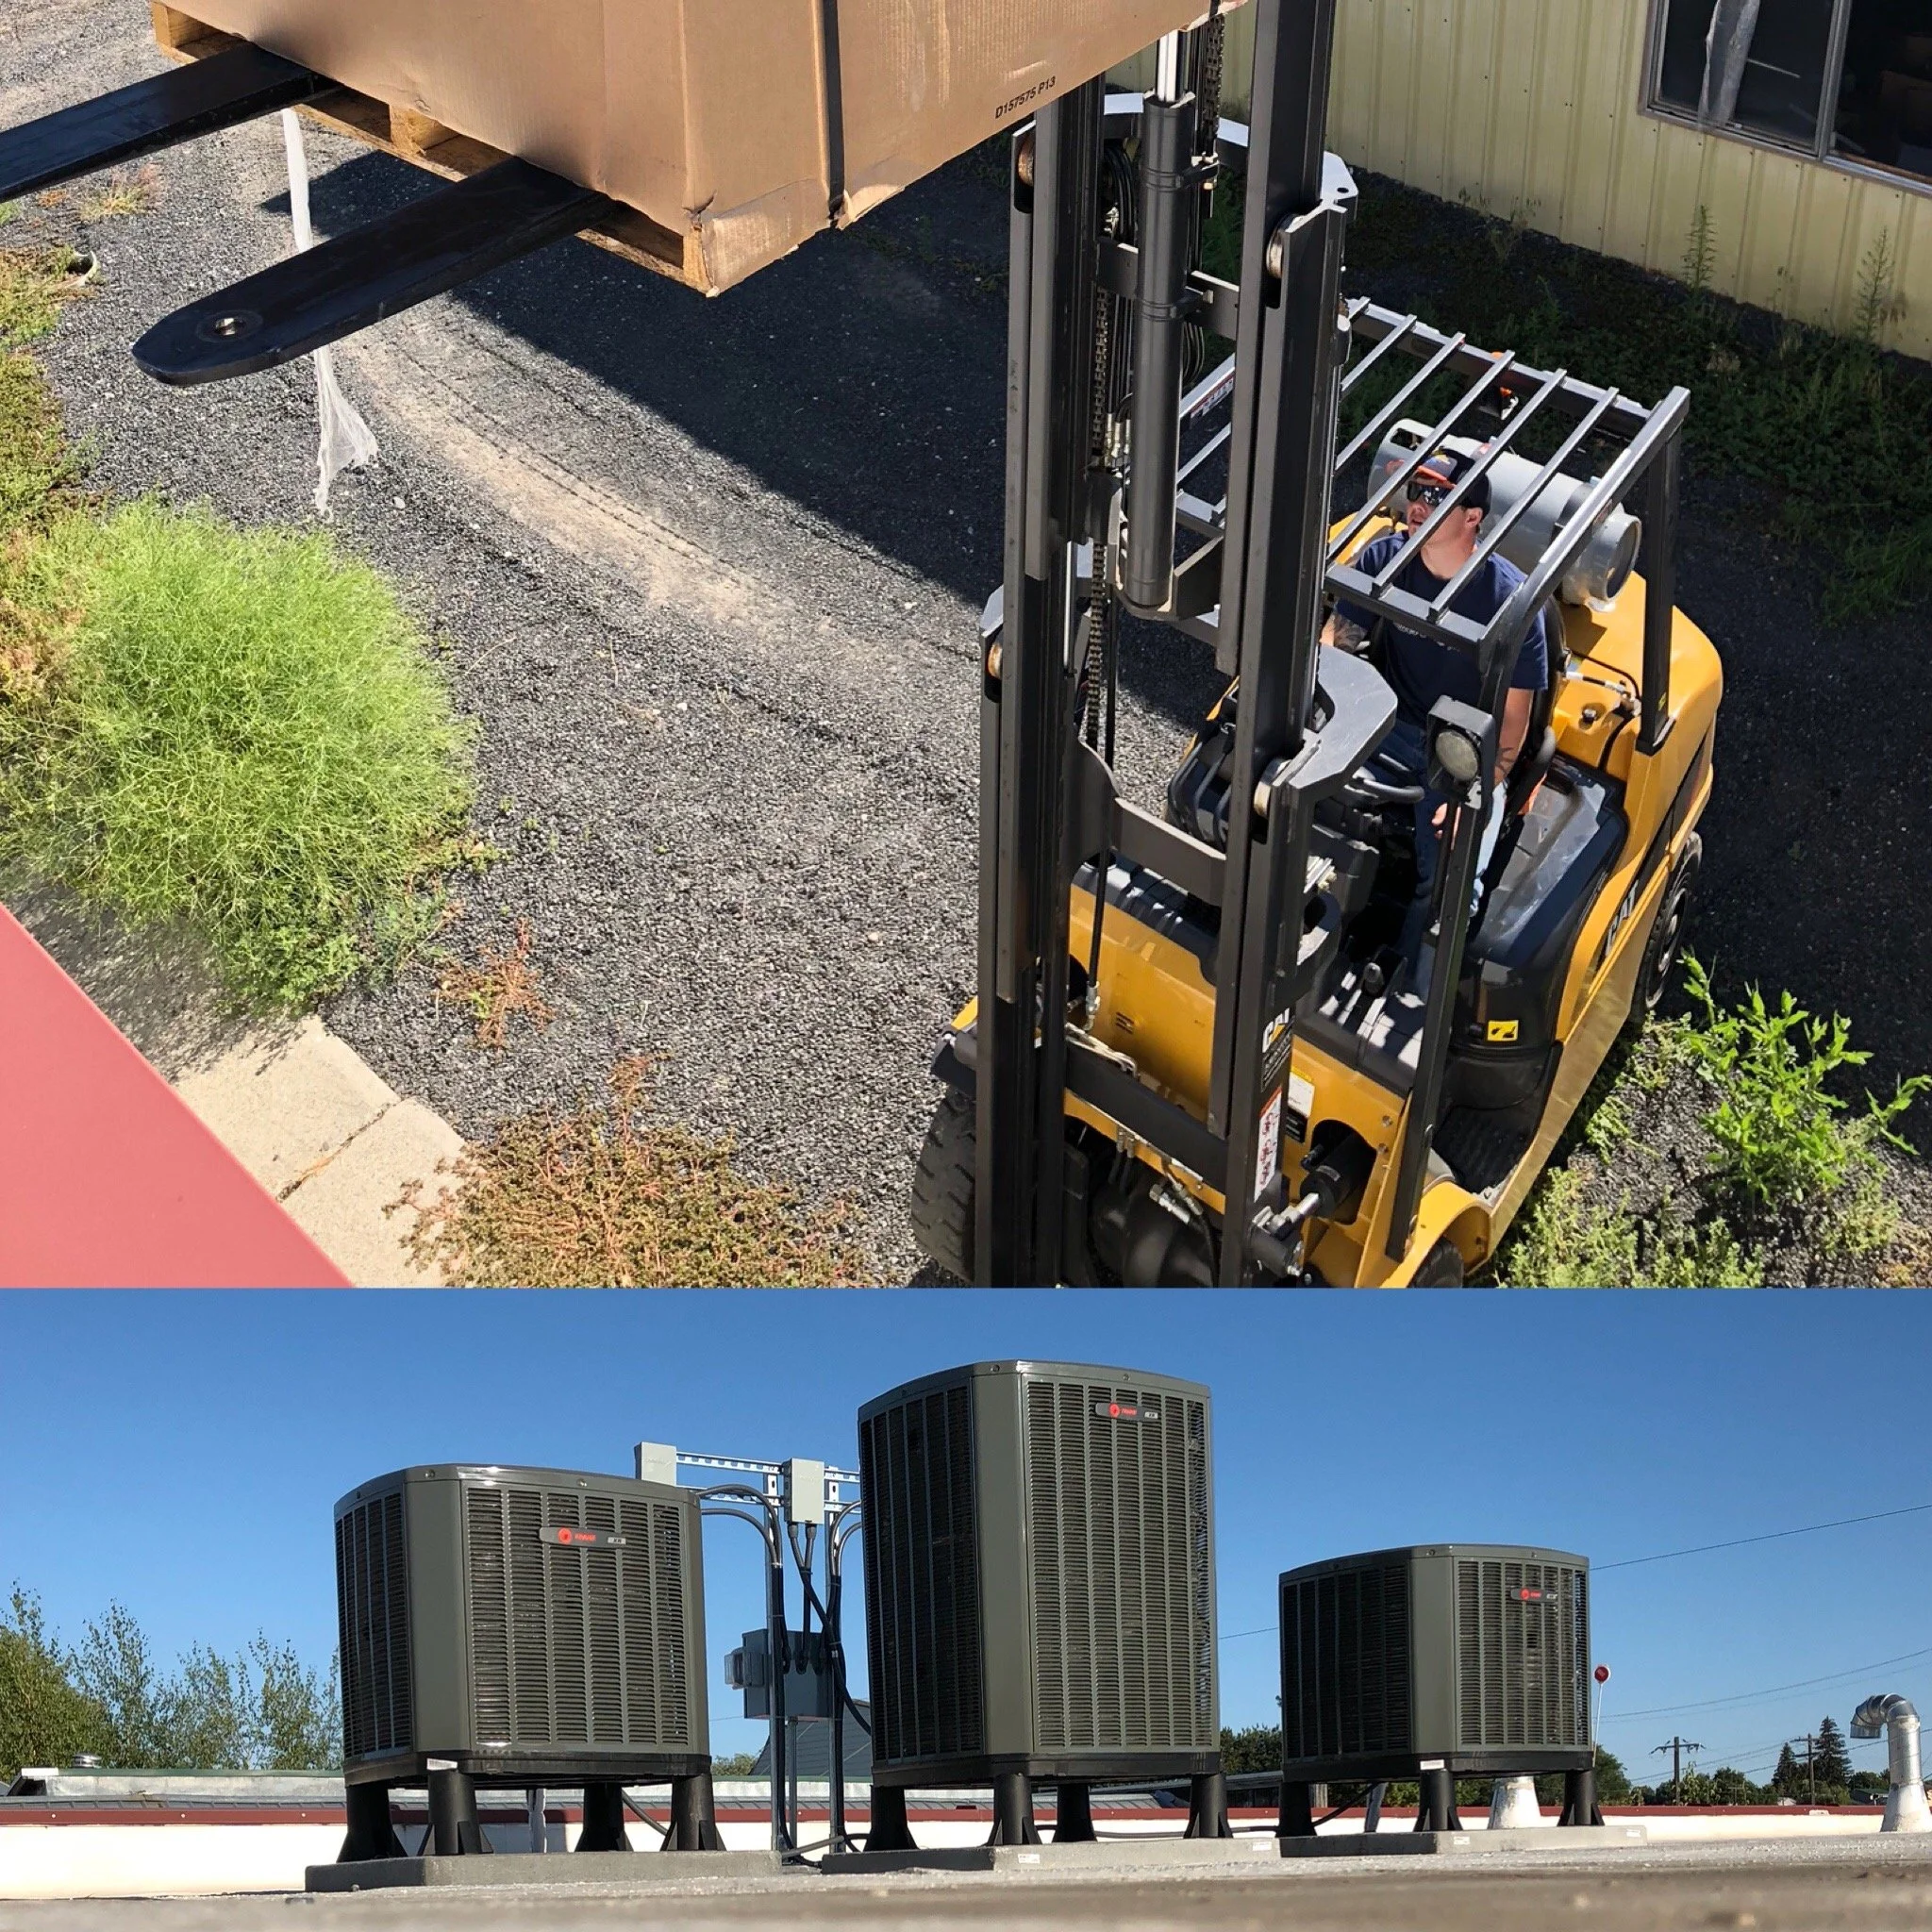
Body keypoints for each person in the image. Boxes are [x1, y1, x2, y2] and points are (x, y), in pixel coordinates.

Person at [1321, 447, 1549, 961]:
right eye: (1414, 492)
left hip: (1460, 751)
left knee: (1453, 879)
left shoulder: (1510, 607)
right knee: (1278, 780)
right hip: (1387, 721)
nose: (1417, 505)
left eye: (1435, 496)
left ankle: (1414, 988)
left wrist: (1471, 791)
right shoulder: (1387, 556)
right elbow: (1333, 644)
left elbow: (1512, 729)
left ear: (1473, 518)